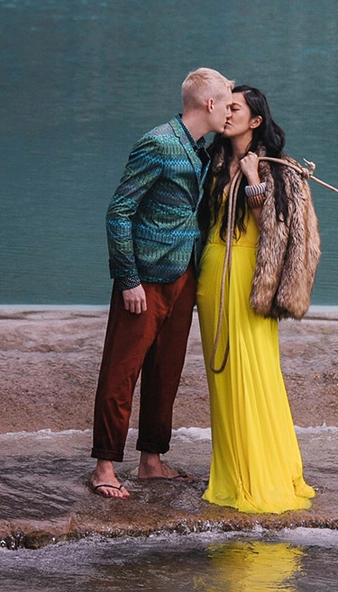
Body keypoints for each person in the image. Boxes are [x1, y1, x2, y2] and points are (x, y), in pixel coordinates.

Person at [90, 68, 234, 499]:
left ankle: (151, 460)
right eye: (227, 103)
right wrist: (128, 277)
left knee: (165, 372)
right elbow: (119, 212)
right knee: (122, 371)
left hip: (184, 275)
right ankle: (103, 467)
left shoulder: (203, 148)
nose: (229, 111)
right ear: (209, 105)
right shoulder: (158, 142)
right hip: (145, 279)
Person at [196, 84, 320, 513]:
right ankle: (230, 469)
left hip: (253, 277)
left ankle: (260, 473)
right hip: (213, 272)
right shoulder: (210, 161)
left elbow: (277, 229)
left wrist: (252, 180)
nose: (225, 113)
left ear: (256, 121)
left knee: (256, 370)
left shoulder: (275, 167)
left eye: (235, 108)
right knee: (223, 374)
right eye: (224, 106)